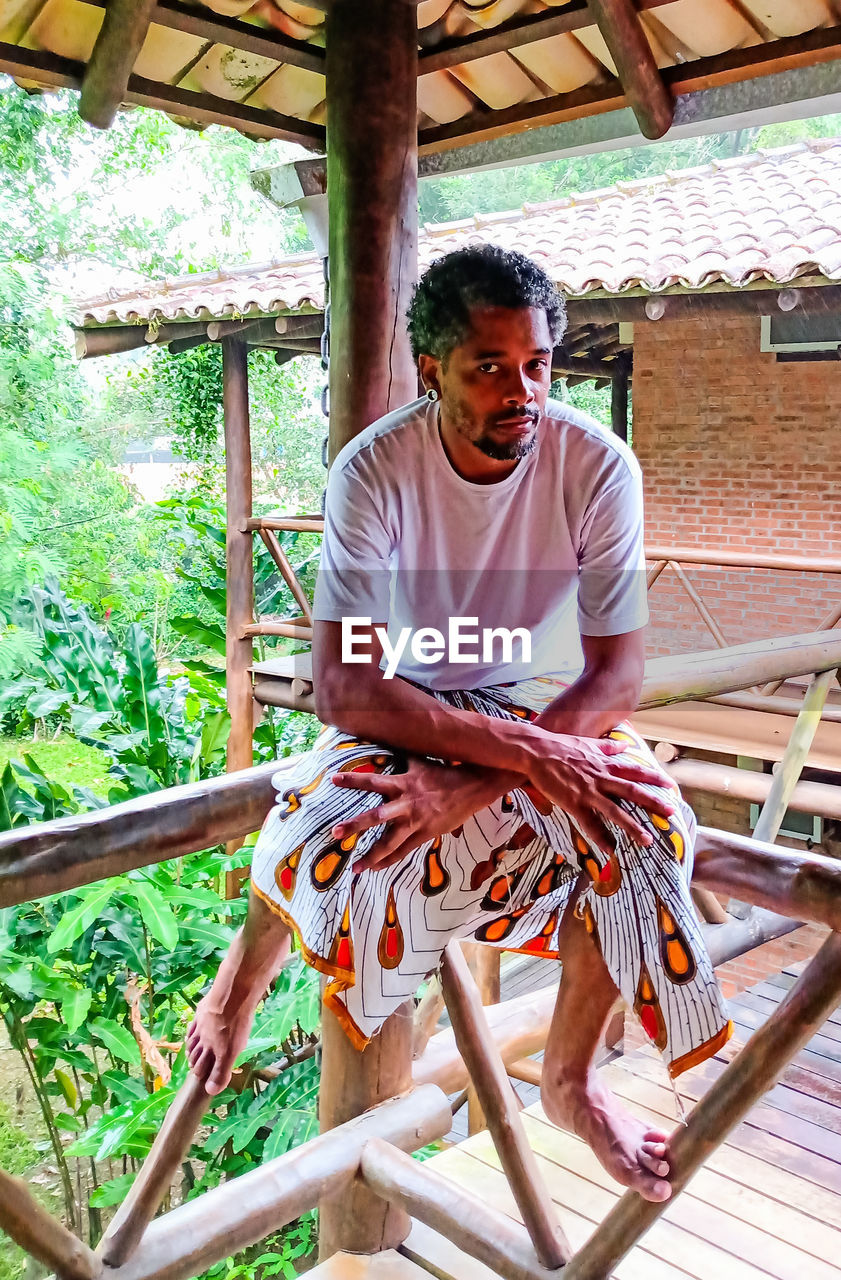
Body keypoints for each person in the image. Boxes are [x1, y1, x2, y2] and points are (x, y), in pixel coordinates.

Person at [187, 245, 730, 1203]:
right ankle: (239, 981)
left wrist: (483, 779)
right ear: (431, 369)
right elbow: (347, 690)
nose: (520, 389)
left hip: (554, 709)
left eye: (537, 365)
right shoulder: (374, 472)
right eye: (489, 367)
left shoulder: (596, 467)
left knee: (645, 828)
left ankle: (569, 1081)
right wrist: (500, 760)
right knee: (324, 823)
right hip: (411, 709)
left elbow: (617, 673)